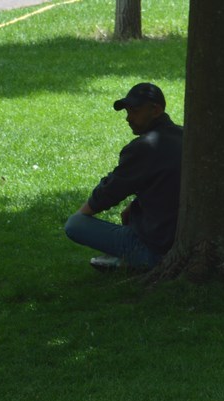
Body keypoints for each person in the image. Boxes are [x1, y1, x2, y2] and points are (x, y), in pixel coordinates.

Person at [64, 82, 183, 273]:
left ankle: (134, 261)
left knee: (74, 225)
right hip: (175, 236)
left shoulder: (144, 147)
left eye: (134, 111)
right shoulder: (184, 136)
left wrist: (82, 214)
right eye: (127, 112)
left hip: (156, 247)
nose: (128, 118)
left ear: (155, 110)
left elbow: (110, 190)